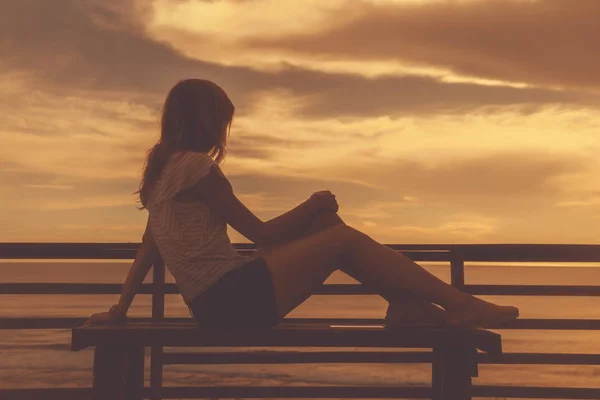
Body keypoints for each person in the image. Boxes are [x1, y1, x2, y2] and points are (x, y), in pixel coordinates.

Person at [85, 79, 519, 330]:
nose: (223, 130)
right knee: (340, 236)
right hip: (232, 301)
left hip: (213, 305)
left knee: (327, 224)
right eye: (222, 121)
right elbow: (261, 235)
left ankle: (407, 305)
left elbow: (148, 249)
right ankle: (453, 303)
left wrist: (119, 309)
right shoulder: (198, 169)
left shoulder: (161, 171)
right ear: (206, 121)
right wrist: (310, 203)